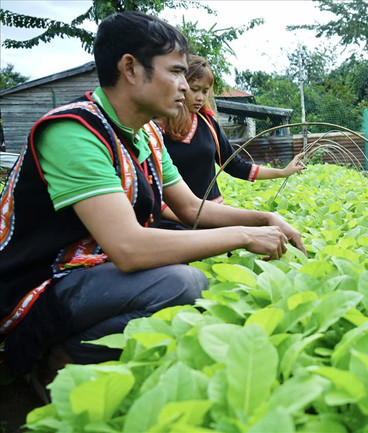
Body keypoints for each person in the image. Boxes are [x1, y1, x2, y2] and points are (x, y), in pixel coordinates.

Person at [0, 11, 305, 383]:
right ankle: (58, 360)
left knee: (182, 254)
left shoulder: (145, 135)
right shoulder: (74, 131)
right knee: (183, 284)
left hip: (89, 272)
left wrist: (264, 219)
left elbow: (191, 208)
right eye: (175, 72)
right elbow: (129, 248)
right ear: (130, 68)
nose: (185, 87)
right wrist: (244, 236)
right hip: (36, 286)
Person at [157, 55, 305, 228]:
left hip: (213, 216)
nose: (200, 98)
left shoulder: (208, 124)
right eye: (194, 89)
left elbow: (236, 166)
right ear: (179, 86)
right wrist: (188, 218)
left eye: (205, 91)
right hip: (171, 220)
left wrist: (282, 172)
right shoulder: (155, 128)